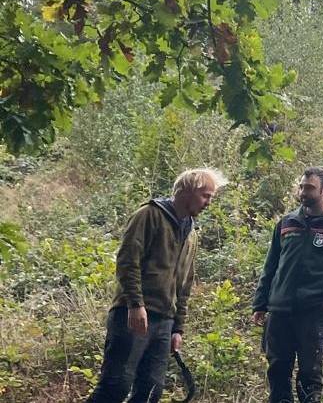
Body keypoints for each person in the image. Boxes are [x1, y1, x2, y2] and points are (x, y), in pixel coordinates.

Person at [88, 168, 227, 403]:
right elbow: (127, 260)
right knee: (116, 386)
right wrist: (135, 304)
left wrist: (177, 328)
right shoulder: (149, 215)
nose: (209, 203)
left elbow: (184, 284)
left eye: (211, 197)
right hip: (133, 315)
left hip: (165, 321)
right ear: (187, 191)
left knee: (151, 391)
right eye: (206, 195)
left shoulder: (191, 233)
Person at [252, 167, 323, 403]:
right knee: (278, 372)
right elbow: (270, 265)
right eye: (301, 187)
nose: (303, 192)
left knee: (310, 378)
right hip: (279, 311)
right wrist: (260, 303)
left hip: (314, 313)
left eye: (309, 187)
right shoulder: (286, 222)